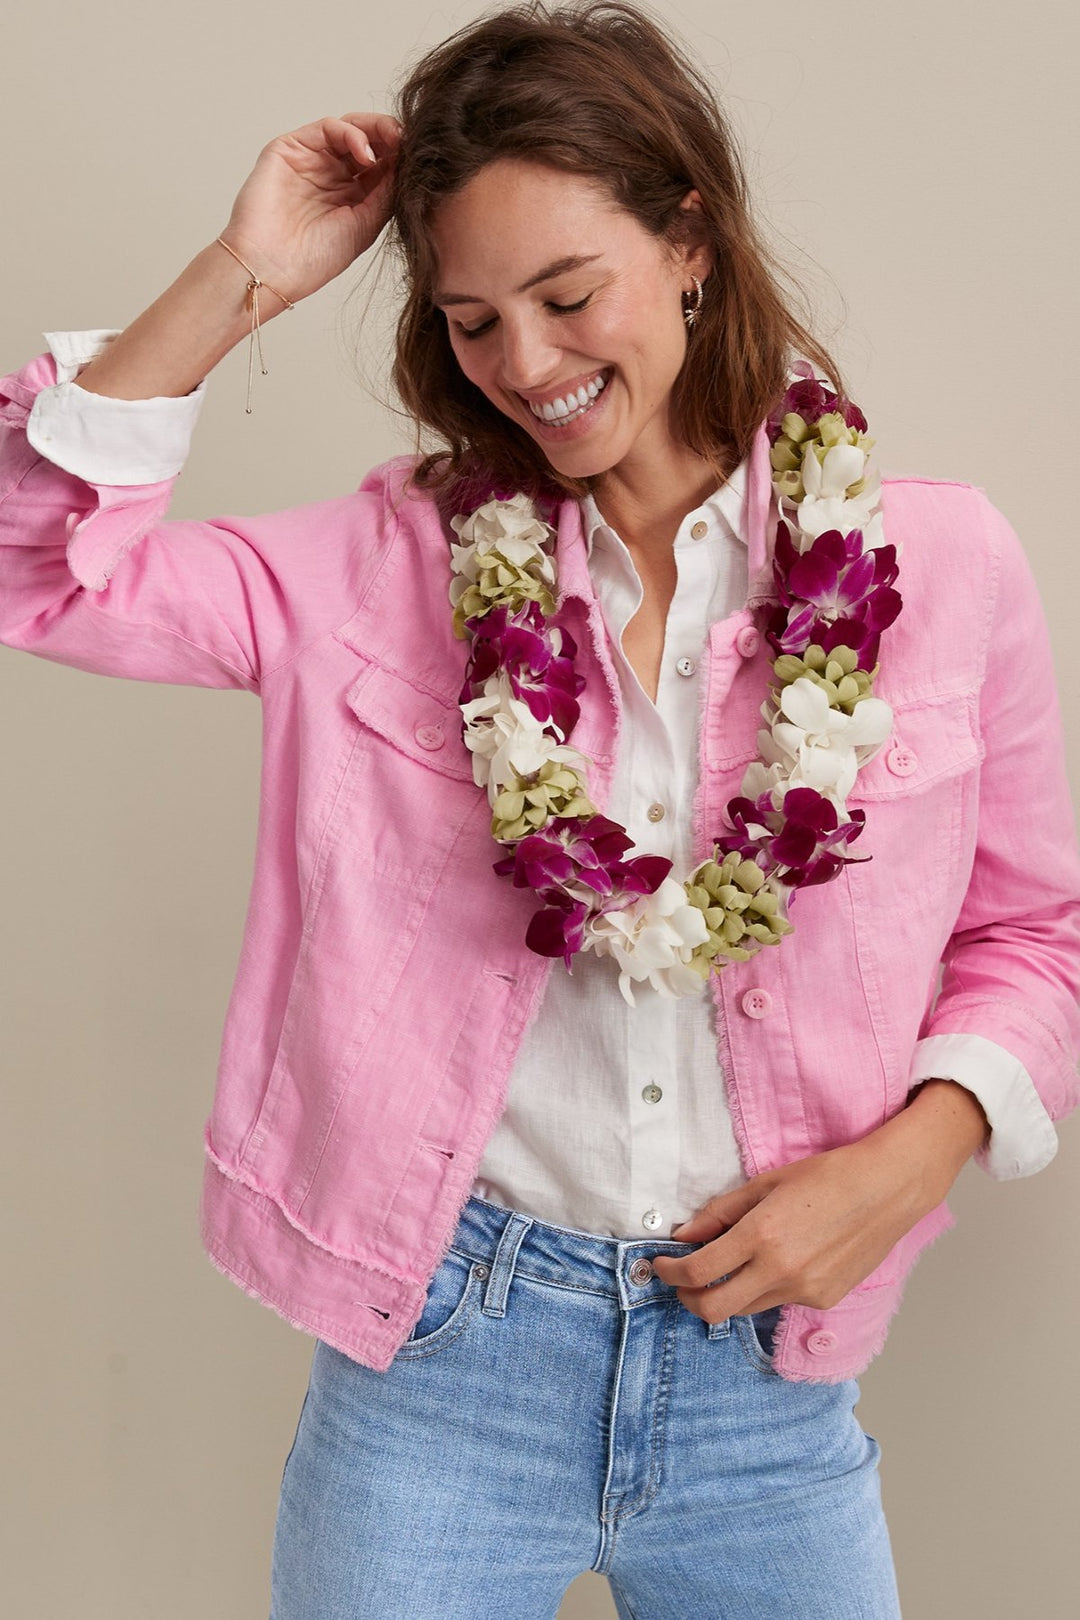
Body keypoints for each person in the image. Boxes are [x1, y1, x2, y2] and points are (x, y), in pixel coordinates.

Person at [2, 2, 1078, 1615]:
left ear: (691, 239)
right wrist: (246, 276)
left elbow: (1036, 935)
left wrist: (912, 1162)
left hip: (768, 1389)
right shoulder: (382, 569)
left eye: (570, 297)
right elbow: (38, 570)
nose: (527, 368)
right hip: (441, 1369)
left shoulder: (945, 566)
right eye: (474, 319)